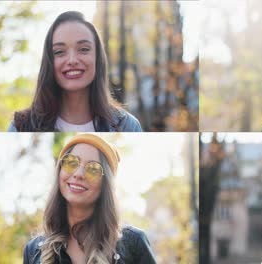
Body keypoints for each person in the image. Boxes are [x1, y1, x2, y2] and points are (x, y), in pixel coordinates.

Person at [23, 134, 156, 264]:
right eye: (71, 162)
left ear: (105, 185)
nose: (78, 174)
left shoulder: (133, 243)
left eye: (93, 169)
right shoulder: (33, 251)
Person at [9, 11, 141, 132]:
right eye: (59, 52)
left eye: (83, 49)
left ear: (97, 57)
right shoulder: (21, 127)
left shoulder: (128, 127)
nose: (72, 60)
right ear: (49, 61)